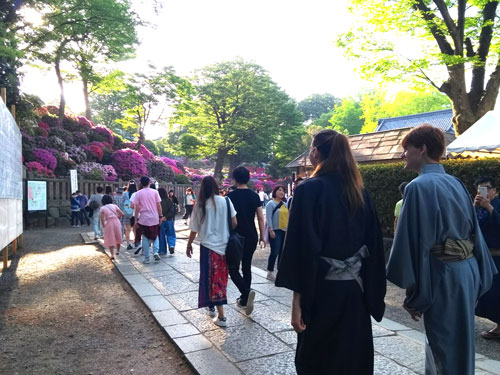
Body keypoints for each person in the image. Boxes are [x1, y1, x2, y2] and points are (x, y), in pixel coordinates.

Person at [386, 124, 496, 375]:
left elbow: (414, 245)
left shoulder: (417, 187)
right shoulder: (455, 182)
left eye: (407, 149)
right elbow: (474, 234)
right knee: (458, 343)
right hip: (467, 271)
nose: (403, 155)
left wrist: (414, 294)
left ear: (422, 149)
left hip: (441, 274)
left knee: (443, 346)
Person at [275, 129, 386, 374]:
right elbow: (376, 248)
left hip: (322, 292)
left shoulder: (308, 190)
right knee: (352, 357)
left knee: (318, 359)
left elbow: (301, 249)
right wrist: (374, 294)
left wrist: (297, 302)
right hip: (355, 293)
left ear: (315, 153)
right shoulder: (360, 192)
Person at [186, 176, 237, 327]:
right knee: (220, 278)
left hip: (208, 247)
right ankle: (213, 307)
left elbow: (194, 228)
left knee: (210, 279)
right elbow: (234, 222)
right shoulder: (226, 201)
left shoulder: (200, 205)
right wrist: (223, 231)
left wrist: (189, 245)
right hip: (224, 247)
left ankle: (220, 315)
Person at [227, 166, 266, 315]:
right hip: (251, 235)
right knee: (247, 266)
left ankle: (245, 294)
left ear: (235, 179)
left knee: (234, 268)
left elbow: (230, 220)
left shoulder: (230, 197)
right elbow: (260, 218)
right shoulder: (254, 196)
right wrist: (262, 235)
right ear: (248, 178)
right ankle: (245, 298)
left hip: (236, 236)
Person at [474, 176, 500, 340]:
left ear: (494, 190)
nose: (484, 192)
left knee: (495, 293)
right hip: (483, 256)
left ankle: (499, 327)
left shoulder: (495, 205)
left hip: (498, 257)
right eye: (480, 189)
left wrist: (490, 207)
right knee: (486, 292)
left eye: (487, 188)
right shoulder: (477, 207)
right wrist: (474, 207)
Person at [132, 176, 162, 264]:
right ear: (149, 182)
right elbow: (159, 205)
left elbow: (136, 207)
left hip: (144, 218)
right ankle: (156, 252)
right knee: (155, 236)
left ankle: (147, 258)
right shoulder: (155, 192)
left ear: (141, 183)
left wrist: (135, 220)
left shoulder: (138, 193)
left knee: (145, 237)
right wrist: (160, 216)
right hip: (154, 217)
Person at [265, 185, 289, 280]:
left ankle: (280, 271)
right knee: (274, 251)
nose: (281, 192)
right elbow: (269, 217)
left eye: (283, 191)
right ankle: (270, 271)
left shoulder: (285, 204)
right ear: (275, 192)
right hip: (275, 230)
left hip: (285, 230)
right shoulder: (270, 204)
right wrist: (270, 229)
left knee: (282, 252)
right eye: (279, 190)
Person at [100, 194, 124, 260]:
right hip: (116, 221)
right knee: (118, 236)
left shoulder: (103, 208)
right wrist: (117, 217)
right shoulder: (114, 206)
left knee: (110, 237)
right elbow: (122, 213)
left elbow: (102, 218)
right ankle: (118, 251)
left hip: (108, 222)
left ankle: (112, 254)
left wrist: (103, 225)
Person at [158, 187, 176, 256]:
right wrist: (166, 217)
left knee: (161, 235)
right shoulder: (169, 200)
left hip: (160, 220)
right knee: (171, 234)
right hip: (168, 220)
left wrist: (161, 217)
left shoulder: (158, 201)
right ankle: (171, 245)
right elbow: (172, 211)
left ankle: (162, 250)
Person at [124, 181, 137, 250]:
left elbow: (123, 204)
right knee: (135, 229)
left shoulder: (125, 194)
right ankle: (135, 241)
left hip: (127, 213)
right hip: (135, 213)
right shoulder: (137, 194)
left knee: (128, 230)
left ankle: (128, 243)